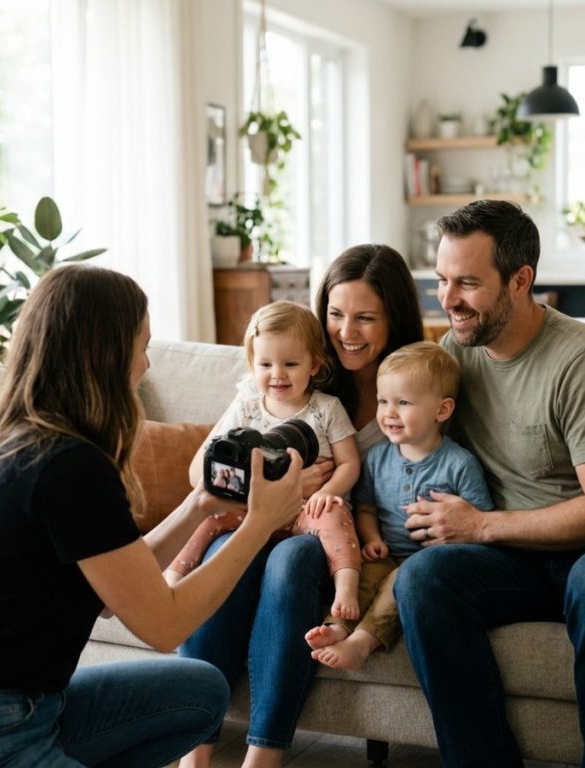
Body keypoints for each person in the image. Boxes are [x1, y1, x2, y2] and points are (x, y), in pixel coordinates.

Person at [0, 264, 304, 768]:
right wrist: (259, 524)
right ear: (106, 353)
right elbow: (164, 624)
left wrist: (199, 506)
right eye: (142, 346)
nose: (146, 364)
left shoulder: (25, 441)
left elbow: (113, 594)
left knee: (199, 691)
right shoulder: (65, 464)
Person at [395, 200, 585, 768]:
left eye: (467, 283)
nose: (448, 299)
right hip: (526, 560)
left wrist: (481, 526)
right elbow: (409, 439)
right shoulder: (457, 354)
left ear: (520, 281)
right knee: (425, 579)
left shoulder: (582, 360)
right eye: (441, 280)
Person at [176, 244, 423, 768]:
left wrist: (327, 492)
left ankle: (263, 755)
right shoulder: (286, 377)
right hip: (260, 516)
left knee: (290, 561)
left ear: (394, 318)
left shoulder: (412, 393)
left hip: (333, 540)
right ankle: (192, 751)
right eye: (336, 314)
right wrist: (271, 484)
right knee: (223, 551)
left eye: (365, 317)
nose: (346, 331)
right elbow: (204, 470)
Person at [166, 300, 362, 620]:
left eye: (290, 364)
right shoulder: (247, 409)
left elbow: (349, 463)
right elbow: (208, 469)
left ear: (314, 364)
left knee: (335, 514)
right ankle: (174, 575)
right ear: (252, 365)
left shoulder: (326, 408)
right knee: (208, 513)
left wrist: (328, 492)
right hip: (253, 509)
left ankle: (346, 587)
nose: (277, 374)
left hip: (308, 510)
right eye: (266, 364)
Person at [305, 341, 492, 670]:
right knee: (362, 578)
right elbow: (366, 508)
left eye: (403, 402)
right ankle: (338, 626)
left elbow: (479, 522)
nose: (389, 413)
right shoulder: (377, 457)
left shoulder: (459, 464)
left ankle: (362, 643)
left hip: (428, 563)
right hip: (386, 553)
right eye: (383, 401)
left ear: (442, 410)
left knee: (395, 587)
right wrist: (373, 539)